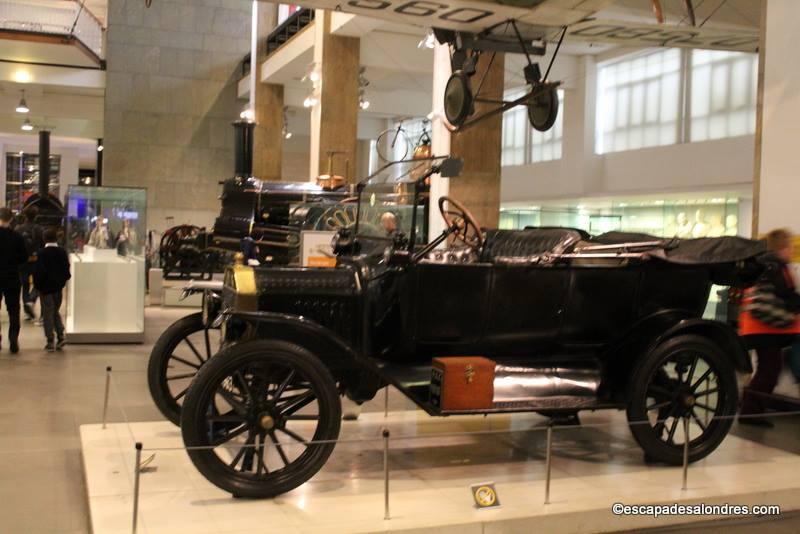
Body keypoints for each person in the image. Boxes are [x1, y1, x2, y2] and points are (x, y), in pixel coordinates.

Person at [738, 228, 800, 427]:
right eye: (789, 246)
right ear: (782, 248)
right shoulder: (778, 266)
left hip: (754, 326)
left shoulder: (762, 264)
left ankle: (749, 407)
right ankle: (750, 412)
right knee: (769, 370)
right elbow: (787, 295)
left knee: (769, 368)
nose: (791, 251)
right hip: (766, 328)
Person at [33, 228, 71, 352]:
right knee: (54, 311)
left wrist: (38, 286)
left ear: (44, 239)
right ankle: (60, 335)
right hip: (58, 289)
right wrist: (61, 283)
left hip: (45, 289)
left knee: (48, 314)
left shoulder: (42, 253)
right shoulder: (62, 252)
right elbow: (66, 271)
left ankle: (50, 340)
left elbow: (39, 272)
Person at [0, 207, 29, 353]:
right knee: (13, 310)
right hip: (12, 277)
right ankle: (13, 341)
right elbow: (23, 258)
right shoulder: (17, 237)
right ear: (11, 219)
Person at [14, 207, 44, 320]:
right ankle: (31, 300)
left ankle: (28, 312)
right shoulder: (39, 229)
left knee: (25, 285)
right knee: (38, 284)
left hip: (22, 262)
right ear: (36, 216)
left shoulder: (18, 229)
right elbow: (42, 245)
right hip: (36, 260)